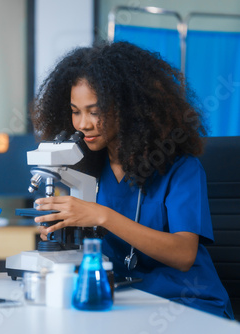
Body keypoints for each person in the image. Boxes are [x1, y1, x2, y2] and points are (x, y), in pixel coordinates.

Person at [31, 41, 234, 319]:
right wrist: (63, 235)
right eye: (75, 111)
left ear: (128, 108)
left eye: (95, 111)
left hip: (187, 303)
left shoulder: (182, 169)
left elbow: (183, 255)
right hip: (126, 303)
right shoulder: (87, 170)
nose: (83, 125)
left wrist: (102, 216)